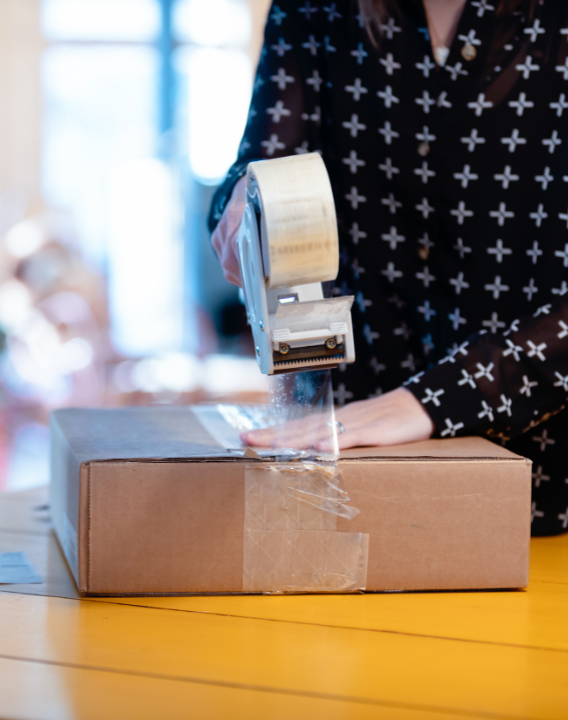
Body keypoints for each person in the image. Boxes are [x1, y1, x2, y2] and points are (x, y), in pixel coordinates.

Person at [209, 0, 568, 535]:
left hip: (545, 492)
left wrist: (437, 398)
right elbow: (266, 162)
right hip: (353, 477)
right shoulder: (314, 10)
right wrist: (245, 203)